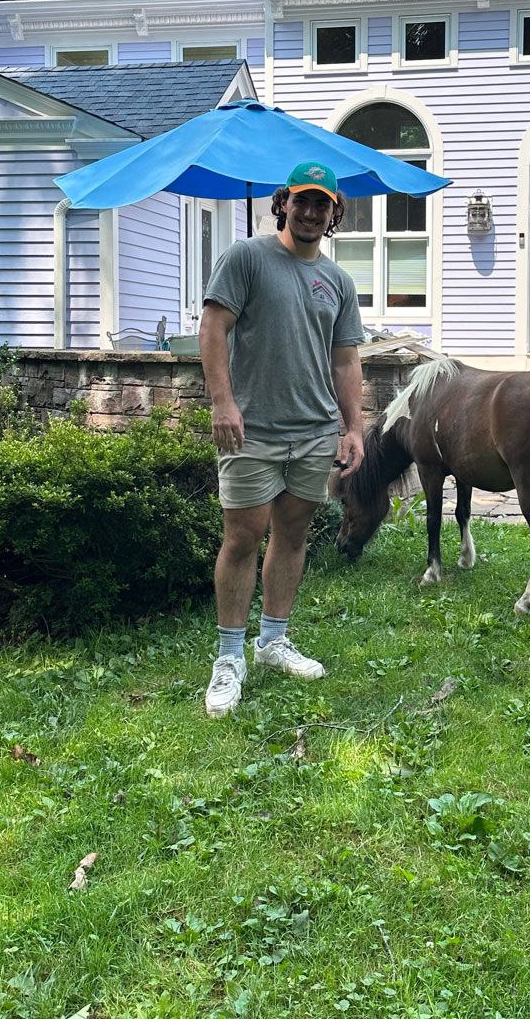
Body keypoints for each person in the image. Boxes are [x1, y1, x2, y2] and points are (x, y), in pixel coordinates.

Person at [199, 161, 365, 717]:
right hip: (252, 429)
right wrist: (223, 402)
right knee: (242, 537)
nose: (311, 212)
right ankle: (229, 658)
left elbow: (345, 360)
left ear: (334, 212)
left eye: (323, 203)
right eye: (303, 201)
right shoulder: (246, 257)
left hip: (314, 432)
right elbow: (213, 327)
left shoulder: (338, 282)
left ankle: (272, 642)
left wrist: (354, 427)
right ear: (283, 202)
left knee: (292, 536)